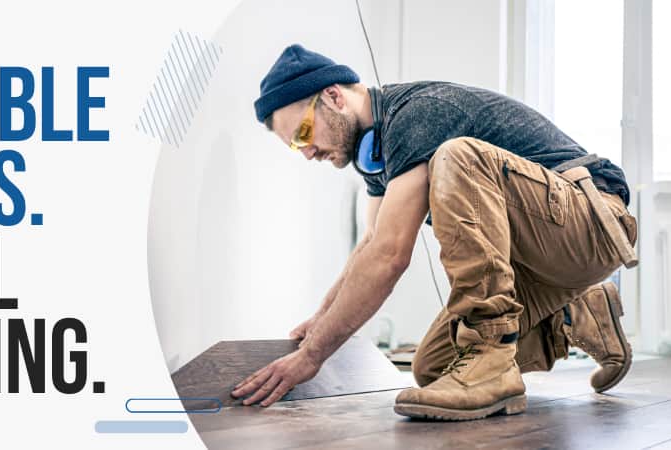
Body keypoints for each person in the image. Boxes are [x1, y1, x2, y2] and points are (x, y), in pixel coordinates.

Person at [230, 44, 638, 421]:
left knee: (458, 156)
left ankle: (491, 361)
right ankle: (578, 316)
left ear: (335, 97)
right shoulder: (378, 154)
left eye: (302, 133)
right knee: (433, 367)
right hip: (544, 259)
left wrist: (313, 357)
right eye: (293, 146)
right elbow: (371, 243)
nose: (306, 152)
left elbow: (390, 255)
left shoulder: (418, 113)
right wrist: (319, 319)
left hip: (595, 222)